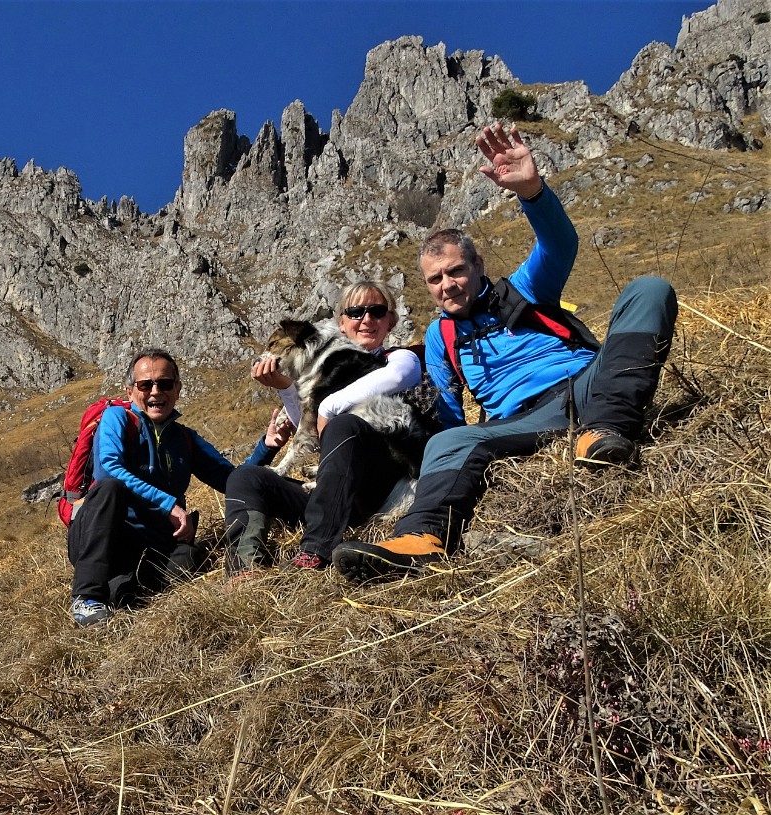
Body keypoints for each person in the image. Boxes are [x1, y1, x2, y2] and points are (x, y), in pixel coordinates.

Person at [331, 123, 678, 583]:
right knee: (447, 440)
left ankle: (605, 432)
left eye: (455, 271)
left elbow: (560, 245)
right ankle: (422, 537)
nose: (447, 285)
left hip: (592, 383)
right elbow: (452, 415)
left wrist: (532, 191)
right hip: (527, 418)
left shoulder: (524, 289)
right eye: (435, 279)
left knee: (649, 290)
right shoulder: (441, 337)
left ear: (477, 267)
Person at [223, 281, 432, 579]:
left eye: (377, 311)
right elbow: (311, 431)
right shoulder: (326, 366)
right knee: (245, 476)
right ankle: (243, 569)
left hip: (377, 484)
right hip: (332, 495)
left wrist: (326, 408)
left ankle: (314, 551)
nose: (367, 319)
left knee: (344, 425)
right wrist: (286, 389)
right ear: (342, 323)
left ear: (391, 321)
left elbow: (399, 375)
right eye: (356, 312)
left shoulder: (398, 359)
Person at [67, 348, 288, 627]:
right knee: (110, 487)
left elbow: (231, 479)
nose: (155, 391)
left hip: (152, 544)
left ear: (178, 389)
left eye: (165, 383)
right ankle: (87, 596)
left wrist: (266, 447)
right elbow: (109, 468)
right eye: (145, 385)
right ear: (130, 391)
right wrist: (167, 504)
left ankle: (122, 590)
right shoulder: (117, 419)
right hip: (101, 537)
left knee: (192, 558)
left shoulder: (185, 439)